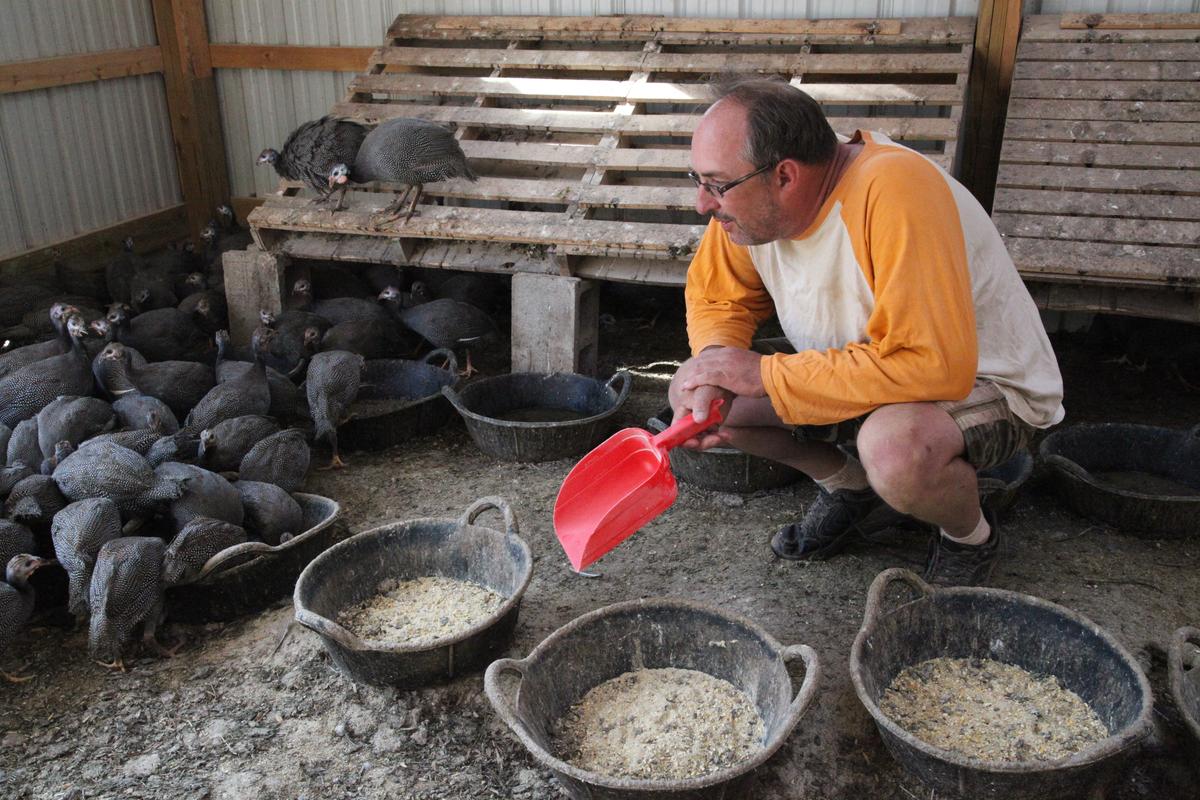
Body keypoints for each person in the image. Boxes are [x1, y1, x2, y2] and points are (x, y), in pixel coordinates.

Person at [668, 77, 1064, 587]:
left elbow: (931, 364)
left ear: (785, 175)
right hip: (865, 366)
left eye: (716, 185)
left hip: (984, 381)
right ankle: (849, 486)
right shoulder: (747, 207)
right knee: (706, 403)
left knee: (895, 450)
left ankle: (969, 537)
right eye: (697, 180)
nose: (703, 203)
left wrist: (769, 373)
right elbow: (720, 297)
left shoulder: (894, 188)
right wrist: (714, 366)